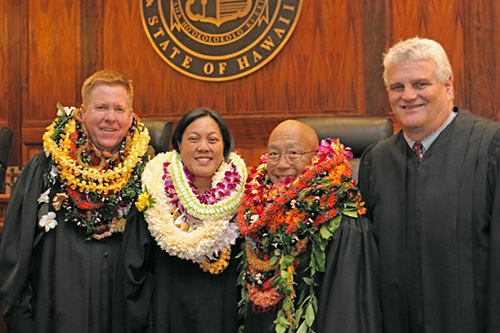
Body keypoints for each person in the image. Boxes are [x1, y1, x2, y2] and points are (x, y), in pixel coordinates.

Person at [358, 37, 500, 332]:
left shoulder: (490, 148)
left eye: (420, 84)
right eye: (398, 87)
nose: (408, 96)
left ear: (448, 87)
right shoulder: (377, 161)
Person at [0, 69, 151, 333]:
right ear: (82, 112)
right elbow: (16, 247)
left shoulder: (148, 172)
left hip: (124, 311)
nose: (110, 118)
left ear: (131, 115)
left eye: (119, 109)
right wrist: (19, 318)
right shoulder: (47, 166)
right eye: (101, 107)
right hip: (58, 307)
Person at [237, 120, 382, 332]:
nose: (282, 164)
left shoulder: (342, 224)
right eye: (274, 154)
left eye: (293, 153)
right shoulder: (257, 218)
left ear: (316, 159)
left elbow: (345, 311)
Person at [119, 108, 247, 333]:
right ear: (178, 144)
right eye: (193, 139)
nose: (203, 148)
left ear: (225, 146)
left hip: (224, 316)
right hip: (166, 315)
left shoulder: (244, 198)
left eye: (213, 139)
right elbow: (134, 272)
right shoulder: (153, 195)